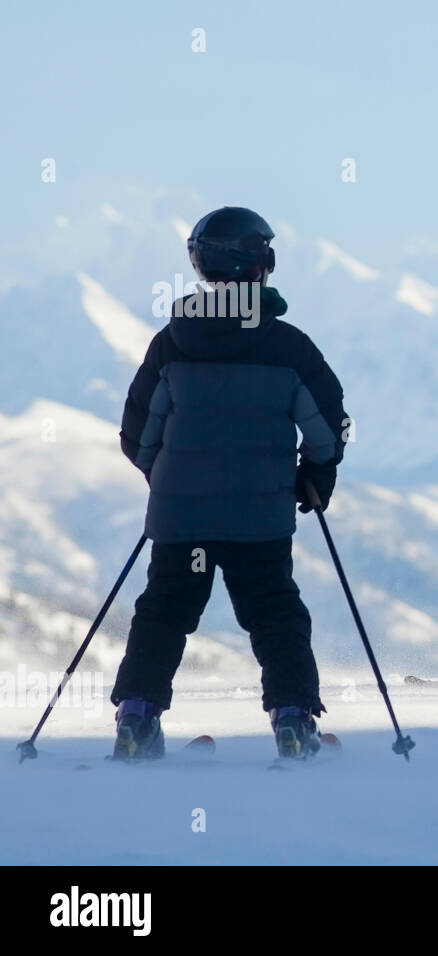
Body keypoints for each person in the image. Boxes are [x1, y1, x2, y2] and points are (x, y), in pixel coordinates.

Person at [112, 206, 350, 758]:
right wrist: (314, 475)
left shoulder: (170, 343)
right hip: (258, 521)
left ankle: (137, 720)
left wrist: (170, 477)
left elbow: (137, 434)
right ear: (262, 266)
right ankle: (293, 721)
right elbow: (329, 429)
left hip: (179, 520)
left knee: (164, 613)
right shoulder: (289, 348)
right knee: (275, 616)